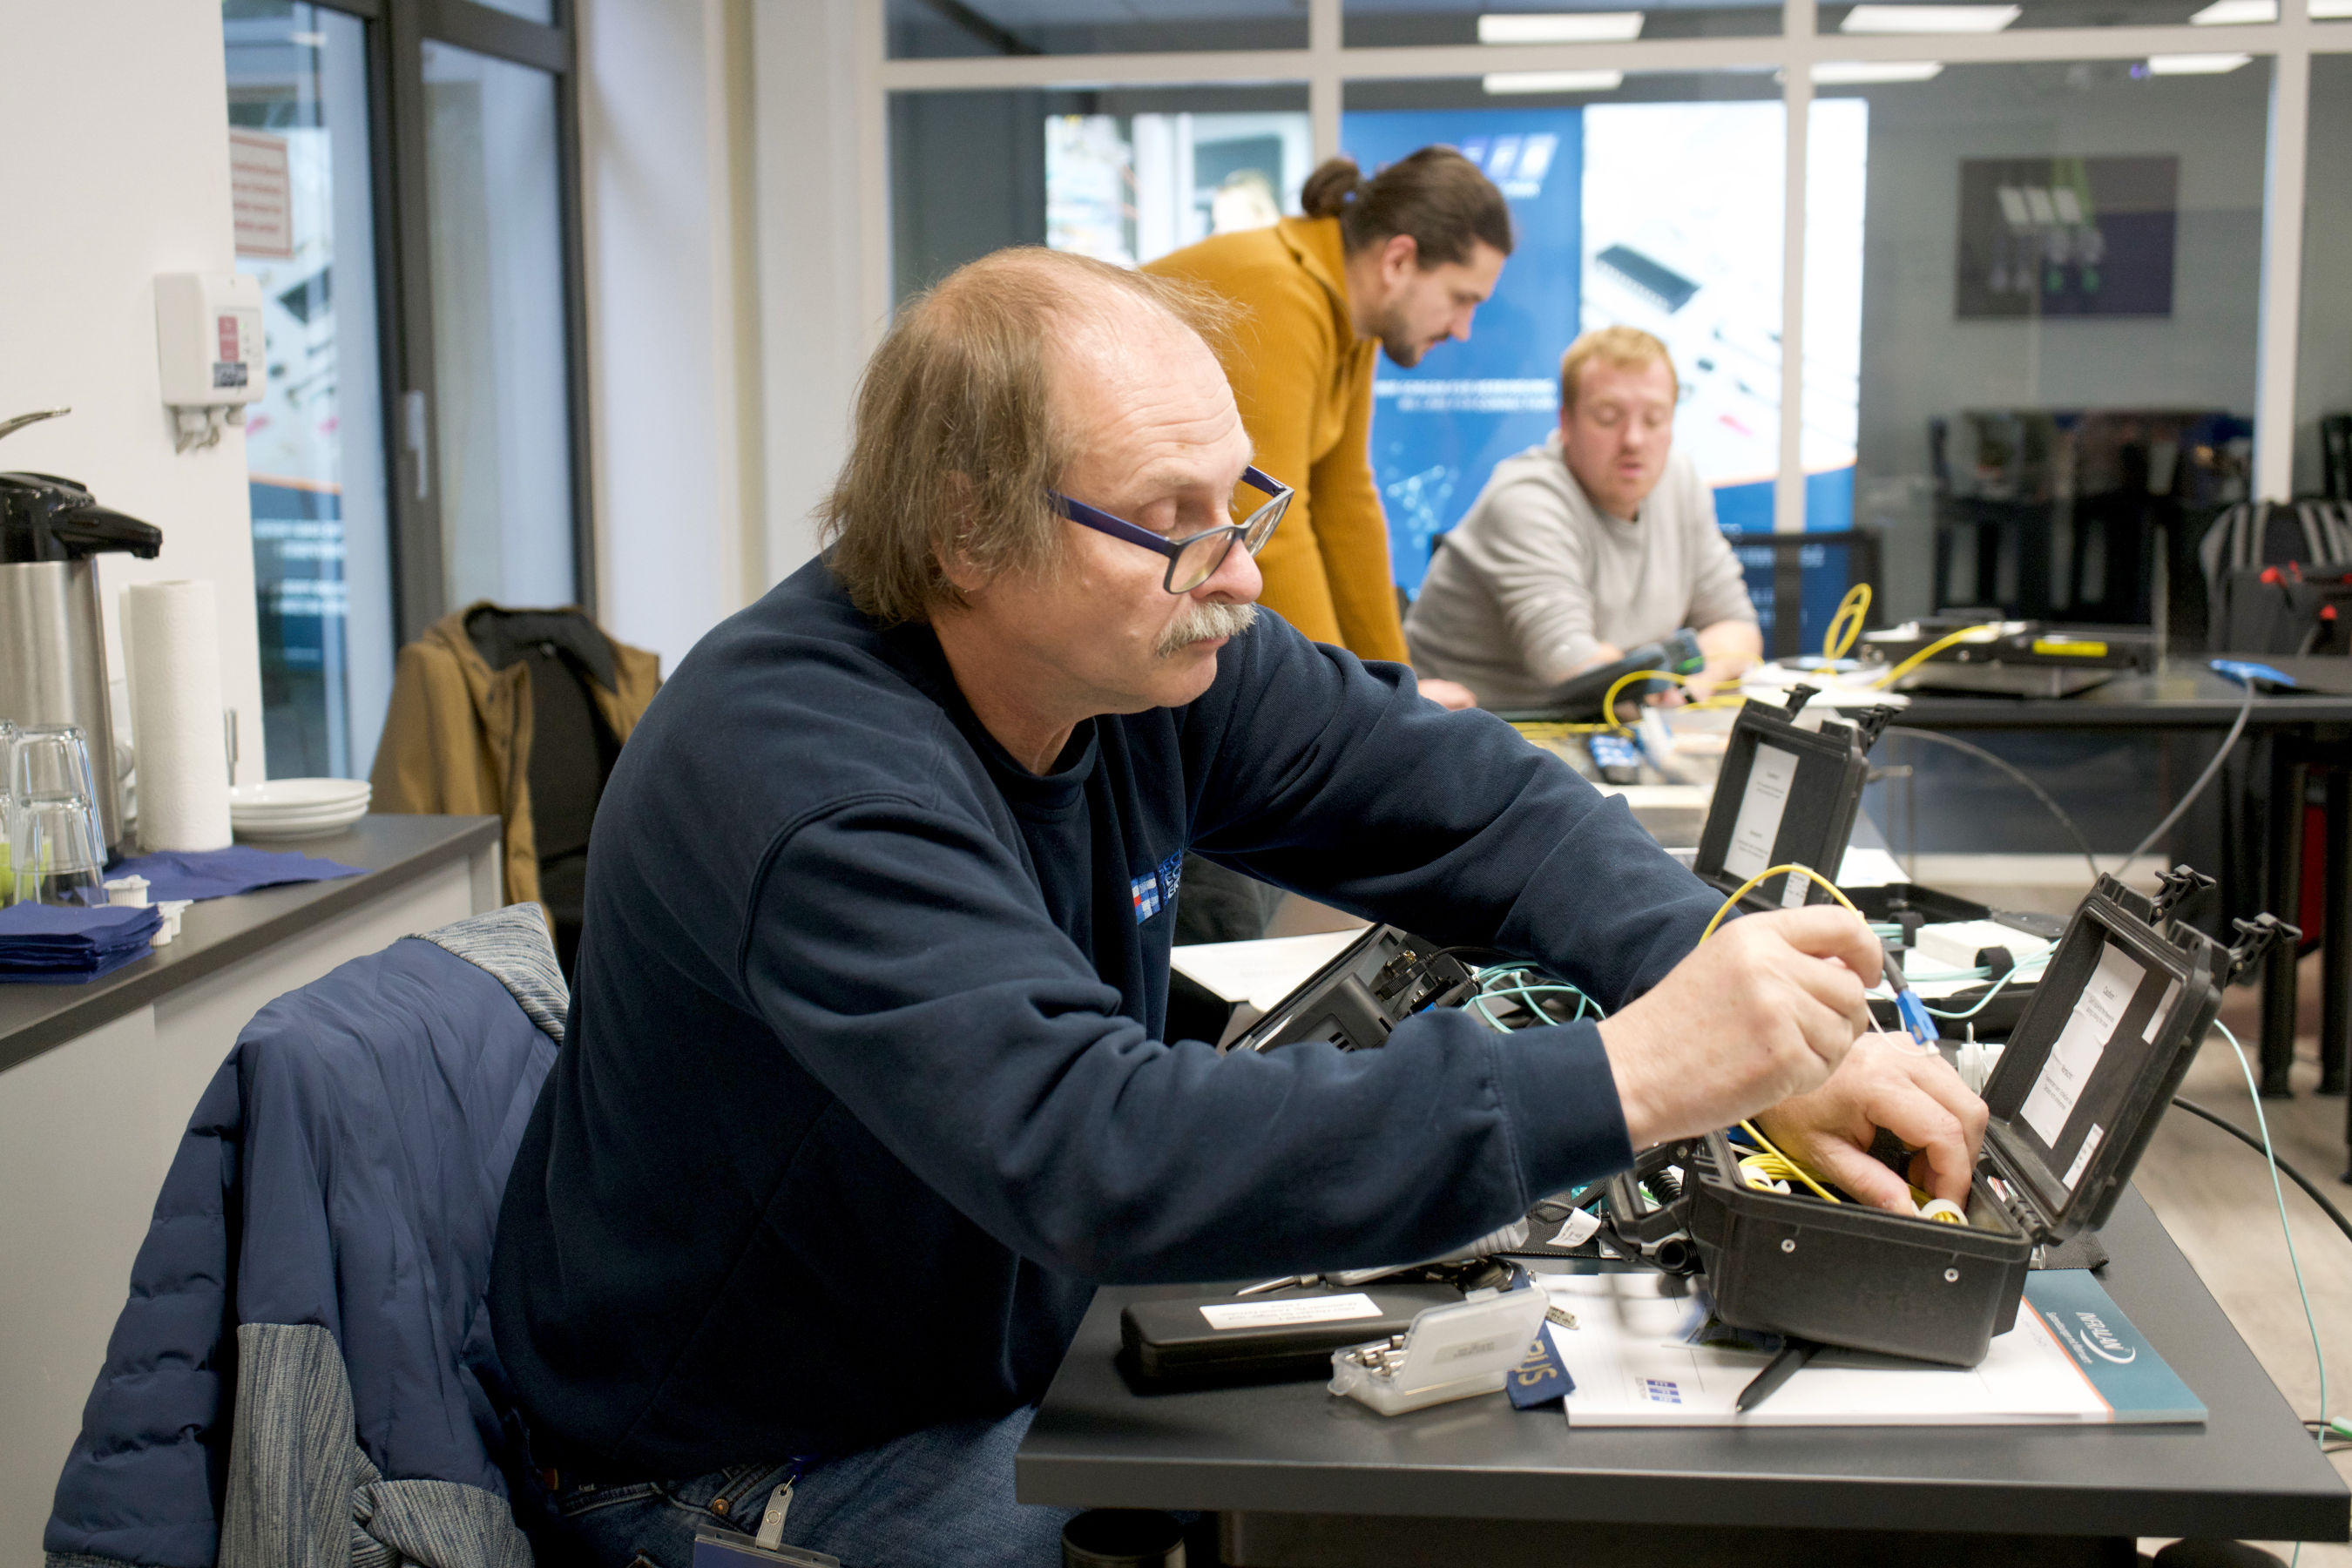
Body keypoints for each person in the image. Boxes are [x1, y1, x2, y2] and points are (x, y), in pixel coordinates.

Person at [489, 249, 1986, 1568]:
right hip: (744, 1469)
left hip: (991, 1352)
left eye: (1242, 499)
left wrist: (1761, 1017)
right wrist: (1639, 1076)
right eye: (1175, 517)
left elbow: (1474, 802)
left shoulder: (1143, 643)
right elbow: (1100, 1149)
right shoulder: (804, 775)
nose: (1243, 568)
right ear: (965, 528)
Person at [1146, 146, 1508, 713]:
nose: (1463, 329)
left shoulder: (1349, 316)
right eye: (1462, 299)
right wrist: (1347, 715)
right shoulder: (1281, 288)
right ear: (1398, 261)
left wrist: (1399, 695)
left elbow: (1347, 507)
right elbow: (1271, 529)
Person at [1405, 325, 1764, 712]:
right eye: (1608, 418)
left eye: (1655, 419)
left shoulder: (1680, 481)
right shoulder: (1525, 499)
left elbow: (1737, 627)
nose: (1634, 440)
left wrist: (1693, 682)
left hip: (1594, 729)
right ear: (1566, 422)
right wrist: (1659, 677)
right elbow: (1576, 668)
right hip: (1477, 731)